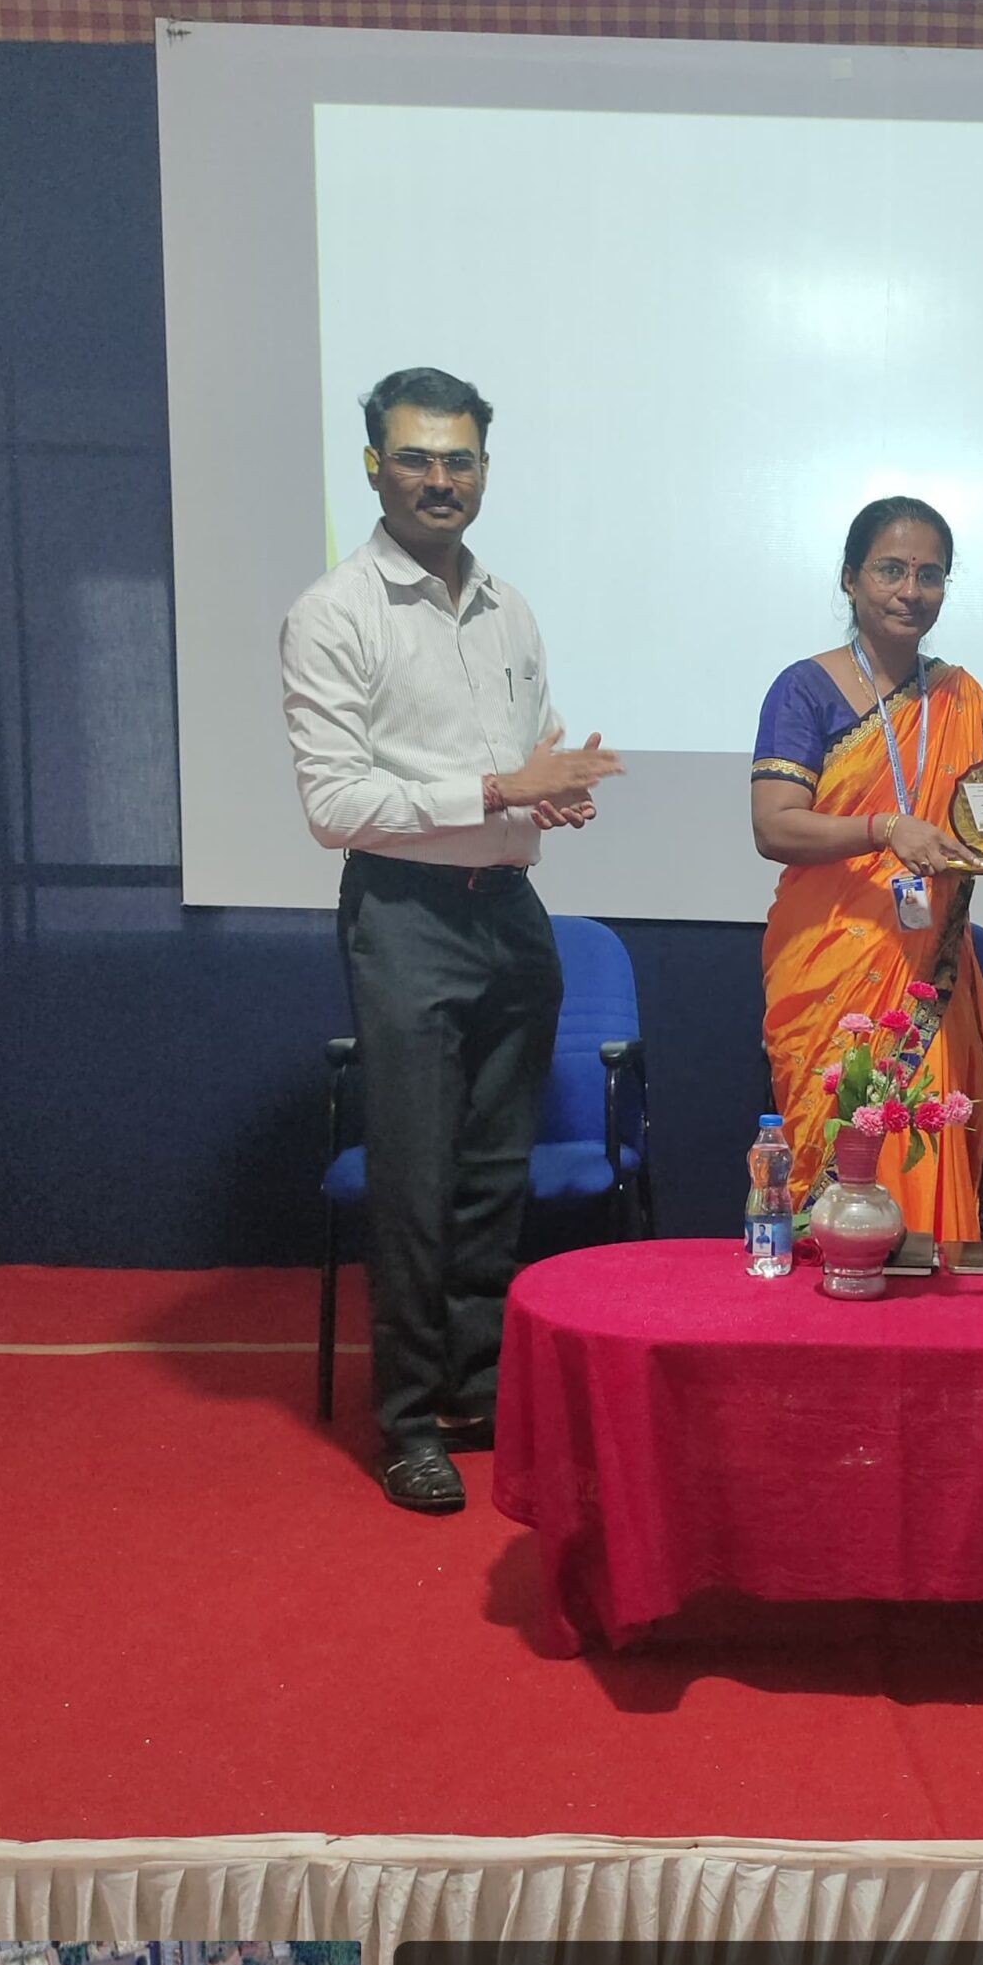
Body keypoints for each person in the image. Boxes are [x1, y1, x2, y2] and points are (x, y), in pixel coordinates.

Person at [280, 365, 622, 1515]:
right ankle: (409, 1419)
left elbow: (525, 756)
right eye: (416, 457)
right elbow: (334, 804)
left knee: (492, 1171)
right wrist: (495, 788)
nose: (440, 478)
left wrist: (546, 791)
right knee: (417, 1180)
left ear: (484, 470)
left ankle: (478, 1387)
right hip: (406, 915)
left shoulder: (508, 607)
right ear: (373, 468)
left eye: (459, 459)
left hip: (509, 913)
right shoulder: (335, 613)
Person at [751, 496, 983, 1248]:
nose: (910, 591)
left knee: (928, 1143)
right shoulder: (805, 689)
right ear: (850, 578)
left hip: (928, 973)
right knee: (833, 1144)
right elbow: (774, 825)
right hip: (829, 962)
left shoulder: (962, 699)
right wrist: (885, 828)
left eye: (930, 575)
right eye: (890, 570)